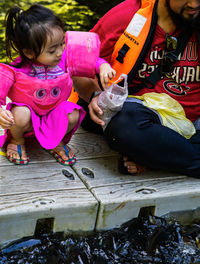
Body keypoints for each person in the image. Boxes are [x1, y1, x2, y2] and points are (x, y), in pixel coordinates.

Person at [73, 0, 200, 178]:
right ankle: (168, 156)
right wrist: (95, 95)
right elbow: (78, 63)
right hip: (142, 119)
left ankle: (157, 157)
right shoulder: (128, 14)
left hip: (193, 124)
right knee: (124, 126)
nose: (194, 4)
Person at [0, 4, 116, 165]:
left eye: (62, 44)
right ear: (29, 52)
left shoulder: (65, 59)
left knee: (73, 113)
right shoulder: (18, 69)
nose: (60, 52)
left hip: (53, 114)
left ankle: (55, 141)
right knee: (19, 113)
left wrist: (103, 66)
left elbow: (91, 61)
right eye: (52, 50)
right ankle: (17, 141)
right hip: (27, 120)